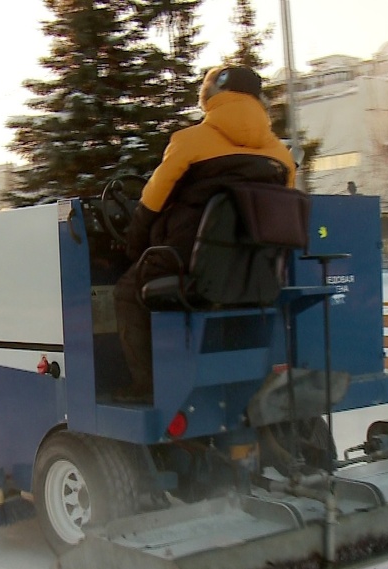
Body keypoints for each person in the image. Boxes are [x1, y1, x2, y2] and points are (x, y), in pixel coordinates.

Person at [114, 65, 296, 402]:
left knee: (127, 291)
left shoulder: (188, 142)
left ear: (209, 96)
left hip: (188, 267)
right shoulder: (281, 157)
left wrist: (133, 248)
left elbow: (150, 205)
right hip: (257, 276)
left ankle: (148, 388)